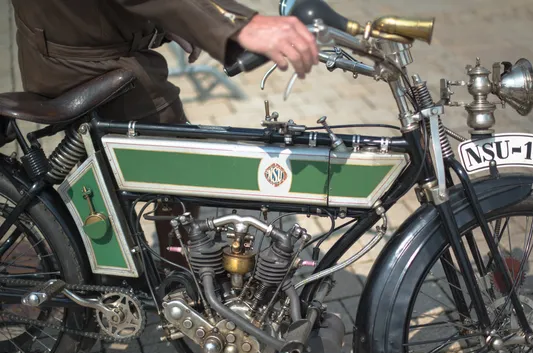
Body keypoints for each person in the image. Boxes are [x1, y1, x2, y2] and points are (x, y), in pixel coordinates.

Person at [10, 0, 320, 266]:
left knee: (144, 163)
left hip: (87, 46)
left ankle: (131, 255)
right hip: (83, 59)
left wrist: (163, 24)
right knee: (178, 157)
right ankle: (180, 279)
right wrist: (237, 23)